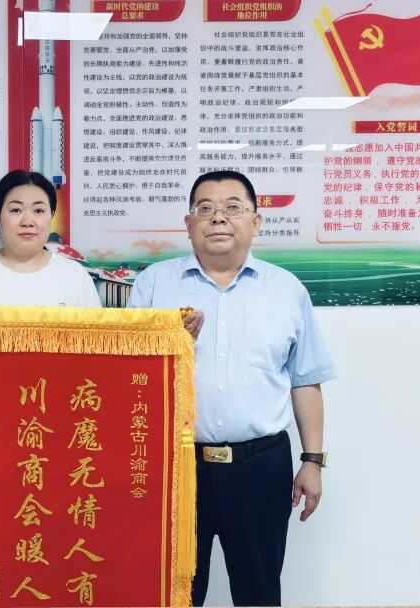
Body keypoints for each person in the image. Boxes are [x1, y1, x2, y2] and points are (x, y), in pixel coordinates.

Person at [128, 170, 336, 606]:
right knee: (174, 594)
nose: (218, 218)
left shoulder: (286, 290)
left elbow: (305, 380)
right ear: (188, 224)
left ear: (256, 222)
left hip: (261, 465)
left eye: (232, 208)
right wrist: (170, 345)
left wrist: (312, 460)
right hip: (176, 467)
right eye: (205, 209)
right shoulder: (154, 284)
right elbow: (130, 379)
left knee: (259, 592)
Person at [0, 170, 101, 307]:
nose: (27, 222)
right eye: (16, 210)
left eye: (38, 211)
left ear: (51, 216)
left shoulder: (75, 277)